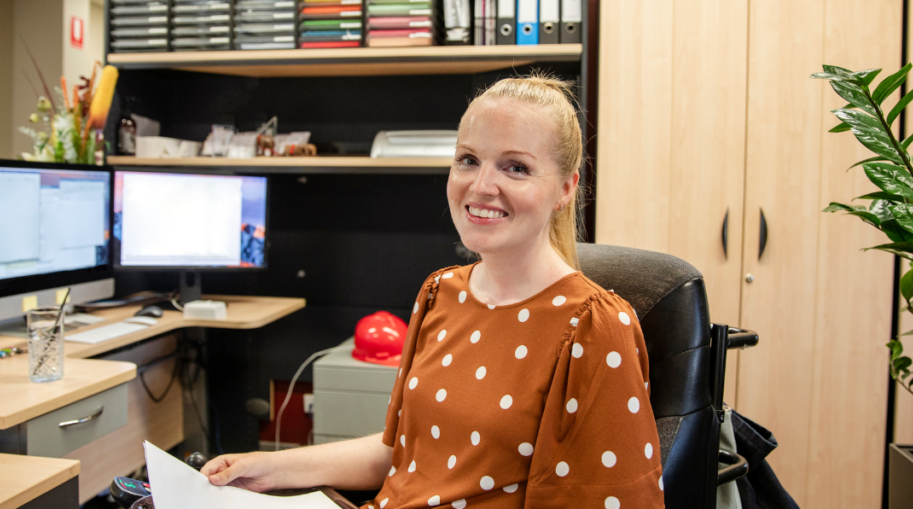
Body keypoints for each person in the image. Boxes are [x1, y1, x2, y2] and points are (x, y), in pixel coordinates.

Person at [201, 74, 665, 508]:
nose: (482, 186)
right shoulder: (440, 292)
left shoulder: (592, 326)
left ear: (566, 188)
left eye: (516, 167)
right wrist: (265, 467)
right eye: (468, 160)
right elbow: (398, 456)